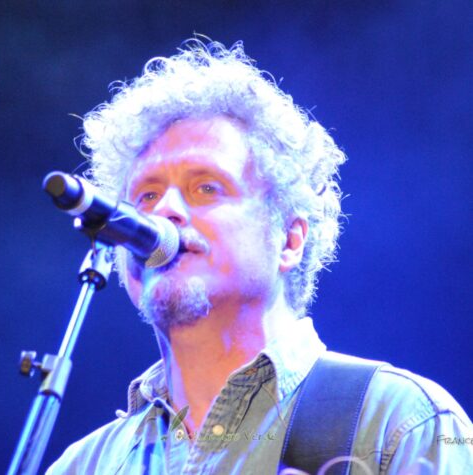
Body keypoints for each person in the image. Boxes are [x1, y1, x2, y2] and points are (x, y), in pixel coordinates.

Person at [47, 39, 472, 474]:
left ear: (289, 240)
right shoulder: (81, 466)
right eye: (146, 195)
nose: (165, 210)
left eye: (206, 187)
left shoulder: (404, 424)